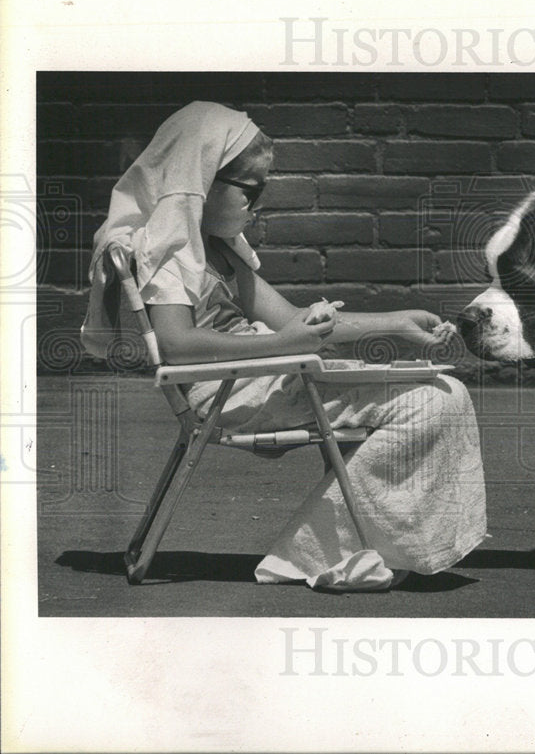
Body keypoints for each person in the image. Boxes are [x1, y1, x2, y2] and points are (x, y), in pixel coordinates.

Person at [81, 101, 486, 591]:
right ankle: (319, 553)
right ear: (202, 180)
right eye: (251, 190)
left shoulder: (218, 250)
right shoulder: (168, 251)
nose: (260, 203)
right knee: (434, 401)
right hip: (227, 392)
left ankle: (351, 545)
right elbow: (175, 344)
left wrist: (396, 322)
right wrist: (281, 343)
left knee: (439, 390)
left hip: (261, 375)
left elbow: (293, 323)